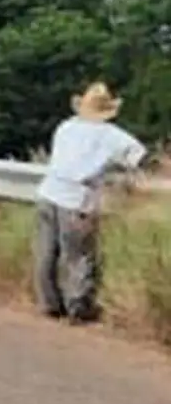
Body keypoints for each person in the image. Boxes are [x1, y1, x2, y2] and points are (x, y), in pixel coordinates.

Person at [34, 82, 148, 325]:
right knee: (78, 255)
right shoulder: (110, 135)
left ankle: (49, 302)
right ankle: (78, 307)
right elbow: (139, 155)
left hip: (48, 192)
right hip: (77, 199)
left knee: (46, 252)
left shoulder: (65, 127)